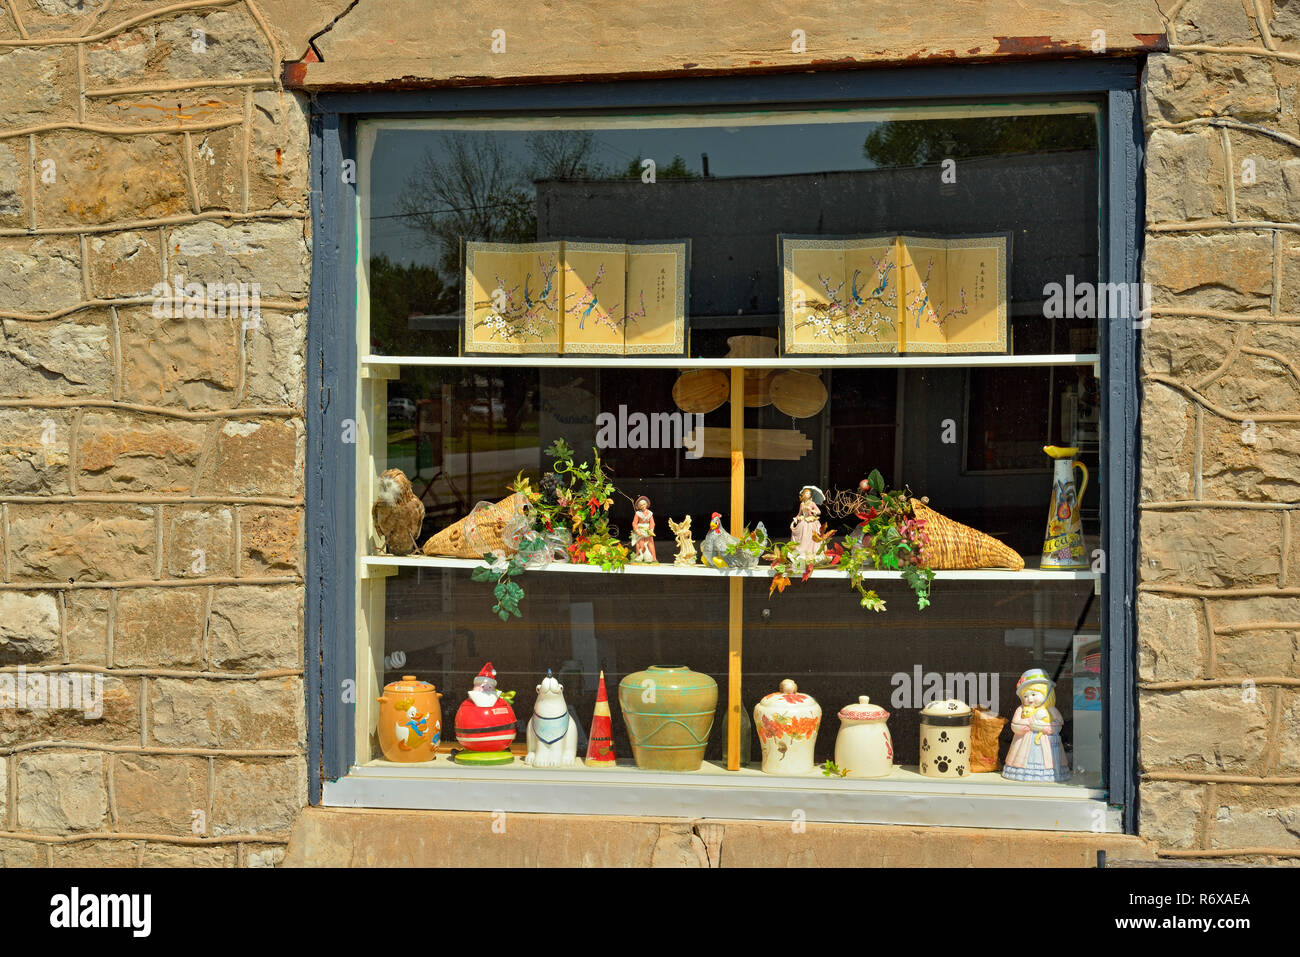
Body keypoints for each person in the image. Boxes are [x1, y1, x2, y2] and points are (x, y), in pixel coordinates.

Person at [1002, 668, 1069, 782]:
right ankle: (1020, 772)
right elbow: (1015, 725)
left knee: (1046, 760)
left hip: (1047, 745)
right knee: (1023, 759)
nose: (1030, 699)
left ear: (1046, 694)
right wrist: (1028, 725)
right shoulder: (1021, 709)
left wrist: (1044, 727)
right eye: (1026, 696)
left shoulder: (1050, 710)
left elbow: (1058, 725)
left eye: (1033, 694)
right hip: (1024, 745)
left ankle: (1048, 774)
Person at [790, 485, 825, 560]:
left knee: (811, 537)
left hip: (811, 522)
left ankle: (812, 552)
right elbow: (799, 514)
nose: (807, 495)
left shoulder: (812, 503)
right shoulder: (802, 504)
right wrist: (794, 520)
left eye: (809, 493)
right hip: (803, 521)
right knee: (802, 536)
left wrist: (812, 510)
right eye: (806, 493)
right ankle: (802, 551)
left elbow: (819, 512)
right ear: (803, 494)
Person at [631, 495, 657, 563]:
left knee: (650, 543)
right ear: (639, 506)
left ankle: (652, 557)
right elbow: (634, 523)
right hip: (640, 530)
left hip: (648, 531)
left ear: (646, 504)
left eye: (644, 504)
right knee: (640, 543)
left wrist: (651, 530)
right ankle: (640, 556)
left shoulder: (650, 513)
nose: (643, 506)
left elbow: (652, 523)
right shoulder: (638, 514)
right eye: (641, 505)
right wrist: (637, 530)